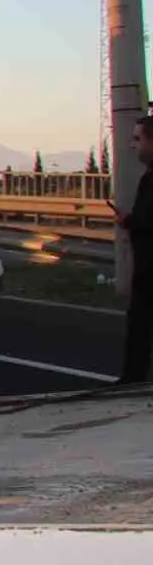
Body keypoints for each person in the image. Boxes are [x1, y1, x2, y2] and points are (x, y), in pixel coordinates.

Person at [112, 115, 153, 384]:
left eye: (138, 139)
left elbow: (148, 221)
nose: (133, 145)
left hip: (150, 270)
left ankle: (132, 381)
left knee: (140, 325)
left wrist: (127, 221)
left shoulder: (151, 180)